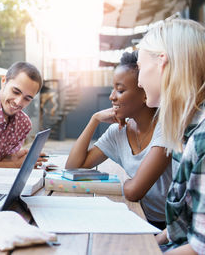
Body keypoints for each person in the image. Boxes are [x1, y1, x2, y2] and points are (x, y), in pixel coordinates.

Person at [65, 51, 174, 230]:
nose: (112, 97)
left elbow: (133, 192)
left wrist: (121, 181)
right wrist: (94, 120)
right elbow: (73, 167)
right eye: (112, 89)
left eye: (120, 90)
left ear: (145, 93)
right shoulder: (118, 131)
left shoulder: (167, 127)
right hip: (139, 216)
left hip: (168, 227)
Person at [137, 18, 205, 255]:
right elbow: (186, 226)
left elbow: (200, 248)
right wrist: (146, 245)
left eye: (140, 67)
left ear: (162, 62)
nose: (139, 80)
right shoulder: (184, 132)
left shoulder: (202, 141)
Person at [0, 61, 45, 168]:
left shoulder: (24, 124)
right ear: (3, 81)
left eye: (27, 99)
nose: (18, 102)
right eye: (16, 92)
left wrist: (15, 158)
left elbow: (5, 160)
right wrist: (15, 164)